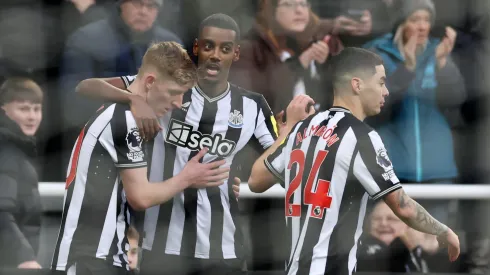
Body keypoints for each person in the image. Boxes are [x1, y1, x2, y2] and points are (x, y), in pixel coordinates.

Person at [75, 13, 296, 275]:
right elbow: (86, 87)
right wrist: (135, 100)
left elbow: (273, 167)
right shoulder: (168, 88)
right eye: (208, 46)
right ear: (196, 48)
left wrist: (287, 133)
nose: (215, 55)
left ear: (236, 54)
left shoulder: (253, 106)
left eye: (225, 49)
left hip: (223, 249)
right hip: (163, 246)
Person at [248, 47, 460, 275]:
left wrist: (285, 133)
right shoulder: (362, 137)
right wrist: (442, 230)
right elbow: (402, 206)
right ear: (357, 85)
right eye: (381, 82)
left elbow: (255, 181)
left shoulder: (303, 128)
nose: (386, 91)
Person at [51, 41, 231, 275]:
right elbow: (141, 197)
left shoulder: (120, 110)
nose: (178, 103)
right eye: (174, 93)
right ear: (149, 82)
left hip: (98, 255)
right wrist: (187, 177)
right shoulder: (124, 121)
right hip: (92, 258)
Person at [0, 78, 43, 270]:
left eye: (36, 109)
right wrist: (24, 258)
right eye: (24, 109)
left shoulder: (18, 149)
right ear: (4, 111)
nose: (32, 117)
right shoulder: (6, 150)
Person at [357, 201, 439, 273]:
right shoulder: (359, 251)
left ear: (409, 226)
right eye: (376, 219)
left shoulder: (424, 253)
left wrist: (426, 251)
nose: (383, 223)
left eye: (391, 219)